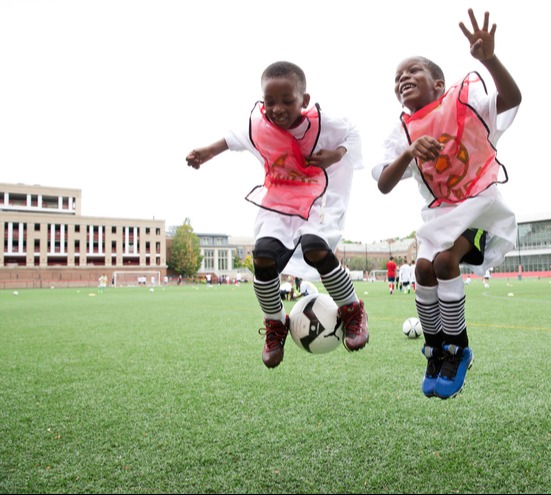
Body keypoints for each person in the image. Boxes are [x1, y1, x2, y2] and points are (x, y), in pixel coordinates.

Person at [373, 8, 521, 399]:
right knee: (423, 269)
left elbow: (512, 98)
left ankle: (458, 349)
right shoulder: (403, 132)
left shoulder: (461, 102)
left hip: (478, 202)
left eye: (413, 71)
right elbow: (384, 184)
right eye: (397, 77)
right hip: (440, 211)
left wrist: (488, 59)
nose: (403, 78)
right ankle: (435, 350)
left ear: (438, 83)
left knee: (444, 263)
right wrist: (407, 153)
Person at [186, 61, 368, 368]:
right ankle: (275, 324)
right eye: (269, 101)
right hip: (279, 197)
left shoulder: (324, 124)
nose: (277, 108)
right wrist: (205, 152)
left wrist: (336, 155)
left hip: (319, 194)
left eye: (287, 101)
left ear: (304, 101)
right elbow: (232, 138)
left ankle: (352, 310)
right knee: (264, 256)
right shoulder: (259, 125)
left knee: (315, 248)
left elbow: (353, 134)